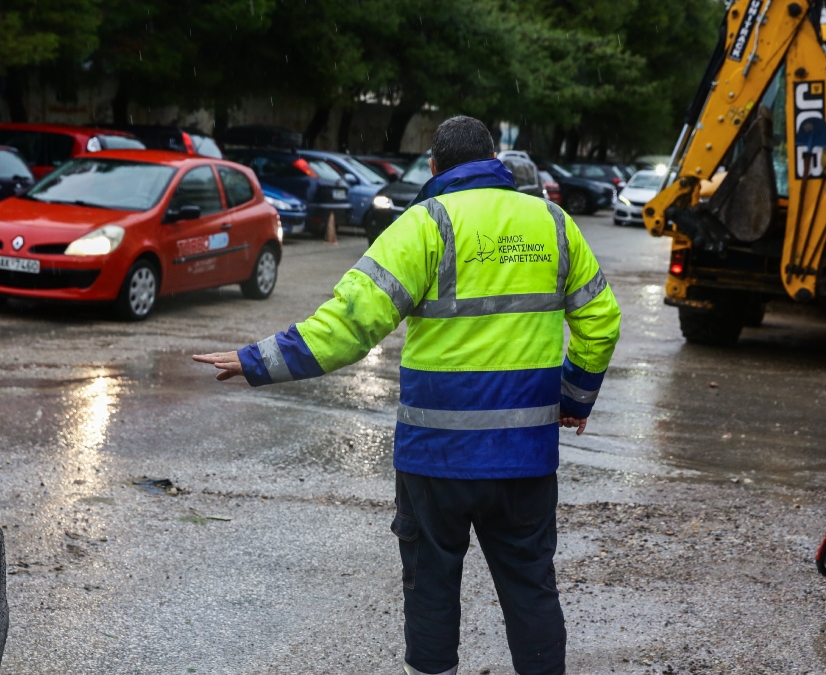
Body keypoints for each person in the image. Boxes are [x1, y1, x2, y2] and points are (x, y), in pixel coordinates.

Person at [194, 116, 620, 675]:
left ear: (437, 167)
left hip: (435, 459)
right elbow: (601, 321)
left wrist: (257, 361)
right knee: (530, 587)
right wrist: (571, 398)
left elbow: (350, 324)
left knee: (431, 586)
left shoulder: (425, 224)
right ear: (494, 160)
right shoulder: (553, 223)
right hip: (524, 457)